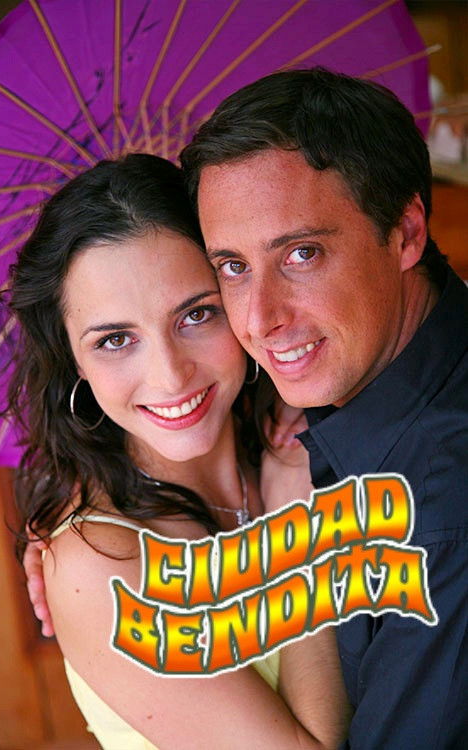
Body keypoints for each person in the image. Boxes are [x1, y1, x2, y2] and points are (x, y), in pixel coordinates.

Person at [9, 153, 349, 749]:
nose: (170, 376)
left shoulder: (312, 430)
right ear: (73, 361)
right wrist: (300, 517)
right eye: (116, 339)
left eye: (196, 314)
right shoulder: (101, 563)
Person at [179, 68, 468, 748]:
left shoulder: (440, 508)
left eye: (302, 254)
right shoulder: (342, 385)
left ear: (406, 231)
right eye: (232, 266)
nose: (259, 319)